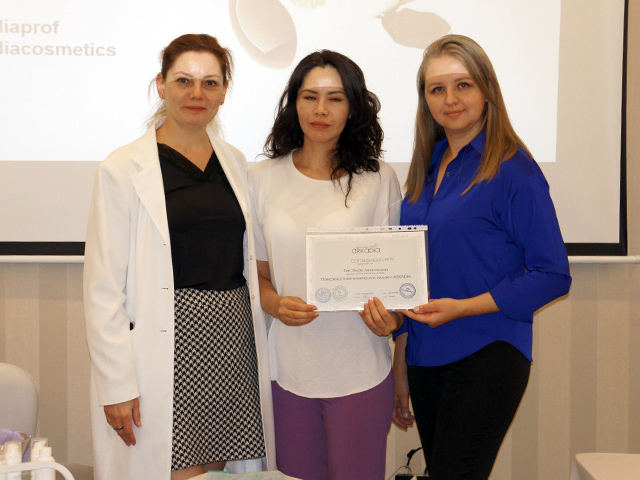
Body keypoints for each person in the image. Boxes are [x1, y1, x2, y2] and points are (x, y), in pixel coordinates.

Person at [83, 34, 275, 480]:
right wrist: (116, 384)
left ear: (224, 91)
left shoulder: (234, 161)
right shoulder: (121, 168)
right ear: (161, 85)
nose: (196, 93)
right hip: (167, 340)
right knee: (175, 468)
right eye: (184, 80)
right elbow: (102, 288)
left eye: (210, 83)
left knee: (217, 469)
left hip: (231, 337)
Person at [393, 34, 572, 479]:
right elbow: (412, 272)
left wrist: (463, 308)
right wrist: (399, 362)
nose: (450, 99)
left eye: (463, 85)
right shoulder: (427, 166)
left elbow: (553, 275)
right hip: (424, 356)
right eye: (437, 89)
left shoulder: (515, 170)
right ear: (425, 99)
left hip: (486, 352)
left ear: (487, 89)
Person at [248, 50, 402, 480]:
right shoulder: (261, 178)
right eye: (309, 96)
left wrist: (390, 317)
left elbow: (395, 276)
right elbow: (258, 272)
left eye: (335, 98)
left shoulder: (379, 179)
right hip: (288, 368)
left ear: (353, 107)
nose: (320, 109)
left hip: (360, 365)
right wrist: (274, 303)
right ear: (293, 103)